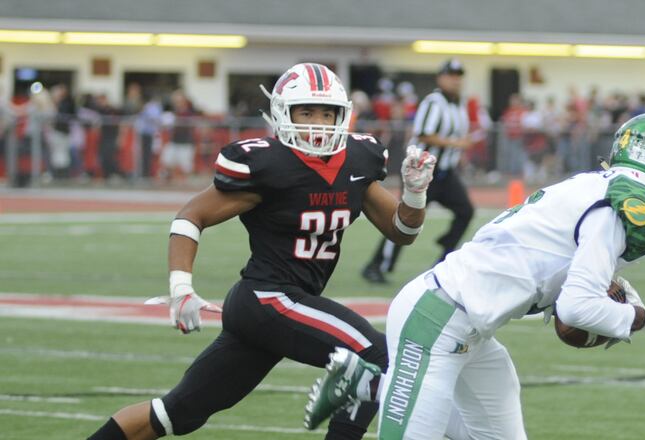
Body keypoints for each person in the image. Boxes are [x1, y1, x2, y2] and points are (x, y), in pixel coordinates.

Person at [305, 112, 645, 439]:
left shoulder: (600, 189)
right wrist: (635, 317)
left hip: (469, 328)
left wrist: (610, 295)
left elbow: (560, 290)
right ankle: (372, 383)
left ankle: (372, 383)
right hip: (434, 320)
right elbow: (575, 309)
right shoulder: (624, 205)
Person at [87, 62, 437, 440]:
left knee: (176, 414)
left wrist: (415, 194)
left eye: (326, 113)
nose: (317, 123)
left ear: (343, 115)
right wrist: (180, 286)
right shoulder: (268, 164)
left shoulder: (357, 160)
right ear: (283, 113)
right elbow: (191, 217)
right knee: (380, 358)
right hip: (269, 299)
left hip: (272, 307)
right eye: (306, 112)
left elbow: (401, 232)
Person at [362, 58, 474, 284]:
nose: (455, 80)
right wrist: (456, 144)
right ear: (441, 78)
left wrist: (458, 152)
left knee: (465, 211)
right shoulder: (433, 102)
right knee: (404, 221)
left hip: (446, 172)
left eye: (458, 76)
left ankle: (444, 254)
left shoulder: (459, 105)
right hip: (423, 171)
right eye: (451, 75)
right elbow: (424, 133)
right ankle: (376, 266)